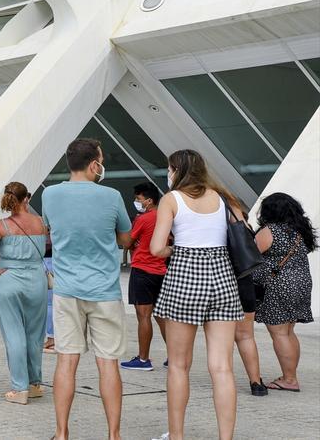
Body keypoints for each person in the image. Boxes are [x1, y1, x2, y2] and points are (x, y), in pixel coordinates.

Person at [151, 149, 244, 440]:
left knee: (179, 365)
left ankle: (177, 436)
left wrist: (174, 249)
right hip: (222, 278)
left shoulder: (171, 200)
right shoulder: (224, 199)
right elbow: (241, 233)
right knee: (222, 367)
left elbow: (155, 248)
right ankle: (225, 437)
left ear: (176, 170)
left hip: (185, 278)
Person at [43, 138, 131, 440]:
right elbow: (125, 238)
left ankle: (62, 433)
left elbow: (50, 229)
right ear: (95, 164)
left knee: (66, 361)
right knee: (108, 364)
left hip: (67, 291)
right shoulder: (112, 196)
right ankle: (114, 435)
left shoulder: (50, 195)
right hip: (105, 291)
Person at [0, 182, 48, 404]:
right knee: (35, 335)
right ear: (26, 198)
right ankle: (35, 384)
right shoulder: (39, 222)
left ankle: (19, 389)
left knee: (14, 334)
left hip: (9, 279)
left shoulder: (2, 225)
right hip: (37, 279)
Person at [254, 192, 315, 393]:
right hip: (302, 283)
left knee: (279, 332)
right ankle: (290, 376)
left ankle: (289, 379)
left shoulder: (269, 231)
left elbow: (251, 256)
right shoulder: (299, 232)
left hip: (279, 285)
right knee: (288, 331)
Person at [121, 182, 168, 371]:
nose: (136, 202)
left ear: (149, 200)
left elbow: (127, 242)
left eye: (138, 199)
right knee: (161, 315)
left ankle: (143, 359)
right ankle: (174, 356)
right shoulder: (166, 217)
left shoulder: (144, 218)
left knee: (143, 316)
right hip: (161, 270)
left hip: (142, 269)